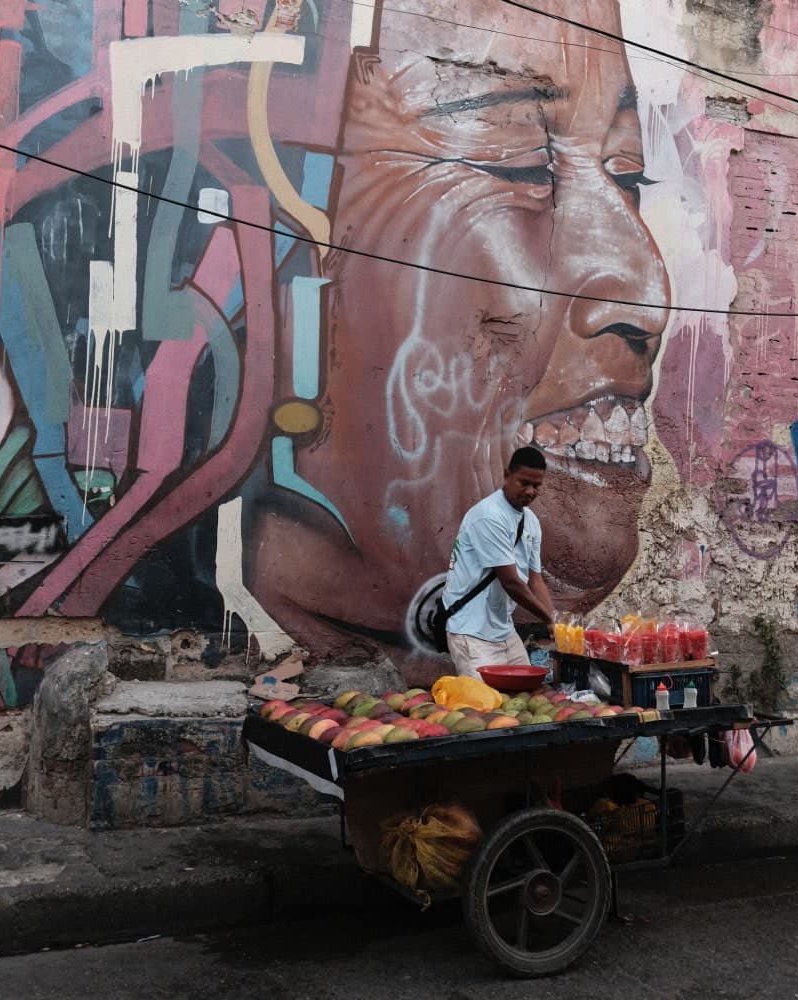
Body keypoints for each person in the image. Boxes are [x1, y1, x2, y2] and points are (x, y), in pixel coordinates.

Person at [252, 0, 670, 682]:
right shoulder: (489, 522)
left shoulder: (521, 521)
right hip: (475, 648)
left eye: (627, 174)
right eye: (521, 165)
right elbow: (509, 578)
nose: (650, 296)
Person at [441, 447, 556, 678]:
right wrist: (549, 618)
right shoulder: (489, 516)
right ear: (506, 475)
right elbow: (511, 583)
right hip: (472, 633)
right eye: (524, 483)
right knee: (484, 709)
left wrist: (554, 623)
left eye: (537, 486)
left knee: (525, 699)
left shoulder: (530, 521)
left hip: (503, 632)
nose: (530, 491)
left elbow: (535, 580)